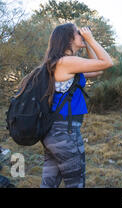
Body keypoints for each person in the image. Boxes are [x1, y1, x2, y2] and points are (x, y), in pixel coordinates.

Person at [38, 23, 114, 188]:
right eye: (78, 33)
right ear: (69, 39)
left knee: (49, 183)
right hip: (65, 133)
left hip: (53, 133)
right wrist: (91, 39)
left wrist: (87, 44)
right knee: (76, 183)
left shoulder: (62, 63)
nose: (82, 35)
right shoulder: (67, 62)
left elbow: (98, 70)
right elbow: (107, 62)